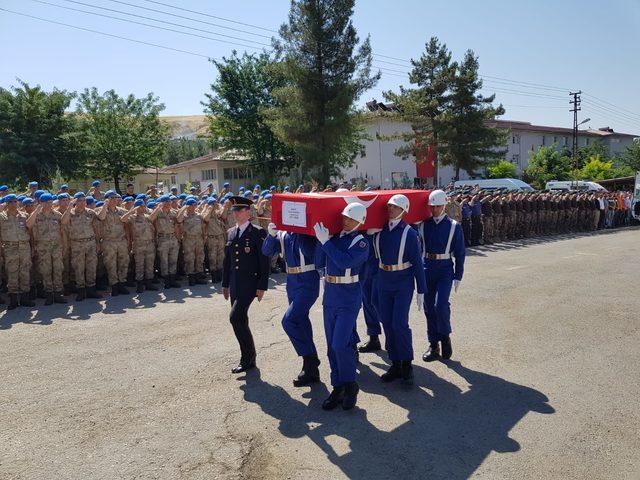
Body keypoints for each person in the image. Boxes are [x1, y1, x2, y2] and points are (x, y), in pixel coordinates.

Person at [313, 202, 369, 411]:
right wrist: (319, 241)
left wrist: (326, 243)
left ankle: (350, 384)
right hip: (331, 295)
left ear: (360, 221)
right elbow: (320, 261)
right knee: (330, 346)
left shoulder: (361, 243)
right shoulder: (334, 238)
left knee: (340, 344)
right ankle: (337, 386)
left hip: (348, 297)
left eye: (350, 219)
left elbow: (345, 262)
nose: (346, 221)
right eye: (345, 217)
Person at [373, 194, 426, 385]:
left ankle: (407, 364)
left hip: (403, 282)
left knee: (399, 324)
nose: (391, 209)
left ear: (404, 210)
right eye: (389, 206)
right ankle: (395, 363)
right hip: (384, 281)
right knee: (387, 323)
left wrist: (421, 289)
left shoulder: (409, 233)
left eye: (395, 207)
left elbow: (418, 264)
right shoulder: (380, 231)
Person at [262, 222, 322, 387]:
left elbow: (313, 254)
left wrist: (303, 232)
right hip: (292, 281)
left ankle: (311, 358)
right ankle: (310, 369)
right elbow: (266, 251)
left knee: (288, 321)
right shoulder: (283, 233)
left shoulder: (306, 234)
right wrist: (272, 235)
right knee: (301, 321)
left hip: (308, 280)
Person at [222, 196, 270, 374]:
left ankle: (247, 357)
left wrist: (262, 286)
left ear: (248, 212)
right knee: (241, 320)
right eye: (234, 210)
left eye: (239, 210)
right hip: (235, 284)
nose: (235, 213)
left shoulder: (257, 232)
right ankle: (249, 358)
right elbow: (227, 262)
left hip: (250, 284)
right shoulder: (230, 232)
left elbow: (263, 262)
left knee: (235, 318)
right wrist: (225, 284)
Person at [417, 189, 466, 362]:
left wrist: (458, 275)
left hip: (445, 269)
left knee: (441, 305)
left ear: (444, 205)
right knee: (429, 308)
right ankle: (433, 344)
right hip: (427, 268)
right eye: (432, 206)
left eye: (438, 206)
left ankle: (445, 336)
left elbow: (460, 252)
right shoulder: (423, 225)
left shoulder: (453, 226)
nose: (435, 209)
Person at [26, 193, 67, 305]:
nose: (49, 205)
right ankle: (49, 294)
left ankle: (58, 293)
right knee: (46, 271)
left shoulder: (57, 215)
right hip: (43, 247)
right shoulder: (36, 216)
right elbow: (29, 225)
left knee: (58, 269)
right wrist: (36, 210)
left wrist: (64, 246)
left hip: (56, 246)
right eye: (46, 203)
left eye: (50, 202)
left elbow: (62, 231)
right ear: (41, 203)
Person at [61, 192, 102, 301]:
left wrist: (98, 243)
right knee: (79, 268)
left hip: (90, 243)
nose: (83, 202)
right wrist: (69, 207)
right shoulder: (70, 213)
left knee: (91, 267)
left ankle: (91, 289)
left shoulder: (90, 213)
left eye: (84, 200)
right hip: (77, 244)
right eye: (79, 200)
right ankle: (81, 291)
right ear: (75, 201)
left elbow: (96, 228)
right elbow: (63, 222)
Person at [0, 194, 34, 309]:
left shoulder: (24, 216)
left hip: (24, 247)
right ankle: (13, 300)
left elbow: (31, 233)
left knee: (25, 272)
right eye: (11, 202)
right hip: (10, 248)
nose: (14, 204)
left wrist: (32, 247)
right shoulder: (2, 217)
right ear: (7, 204)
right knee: (12, 273)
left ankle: (25, 298)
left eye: (15, 201)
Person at [96, 191, 130, 296]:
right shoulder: (101, 210)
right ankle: (114, 285)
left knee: (123, 263)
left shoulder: (122, 211)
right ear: (106, 199)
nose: (115, 200)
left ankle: (122, 284)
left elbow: (126, 226)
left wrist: (128, 239)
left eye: (116, 198)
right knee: (111, 264)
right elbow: (101, 217)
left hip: (121, 241)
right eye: (112, 198)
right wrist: (105, 205)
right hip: (108, 241)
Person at [122, 200, 158, 293]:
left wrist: (158, 207)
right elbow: (123, 219)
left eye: (143, 206)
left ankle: (149, 283)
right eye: (141, 206)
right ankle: (140, 285)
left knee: (150, 265)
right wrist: (132, 210)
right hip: (139, 244)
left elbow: (153, 217)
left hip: (150, 244)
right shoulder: (132, 218)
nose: (143, 208)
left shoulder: (147, 217)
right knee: (139, 265)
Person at [177, 198, 207, 286]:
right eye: (192, 205)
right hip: (188, 239)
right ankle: (191, 278)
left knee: (199, 258)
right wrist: (183, 208)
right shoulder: (184, 216)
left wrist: (204, 236)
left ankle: (198, 276)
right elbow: (178, 220)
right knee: (190, 258)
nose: (194, 207)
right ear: (188, 206)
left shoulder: (199, 215)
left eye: (195, 205)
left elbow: (203, 227)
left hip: (199, 239)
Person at [202, 198, 226, 283]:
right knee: (212, 257)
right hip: (212, 238)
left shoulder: (217, 213)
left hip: (220, 238)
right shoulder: (206, 212)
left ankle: (220, 274)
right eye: (214, 203)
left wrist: (222, 207)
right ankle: (214, 276)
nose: (216, 205)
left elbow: (223, 215)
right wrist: (209, 208)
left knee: (221, 257)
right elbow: (205, 219)